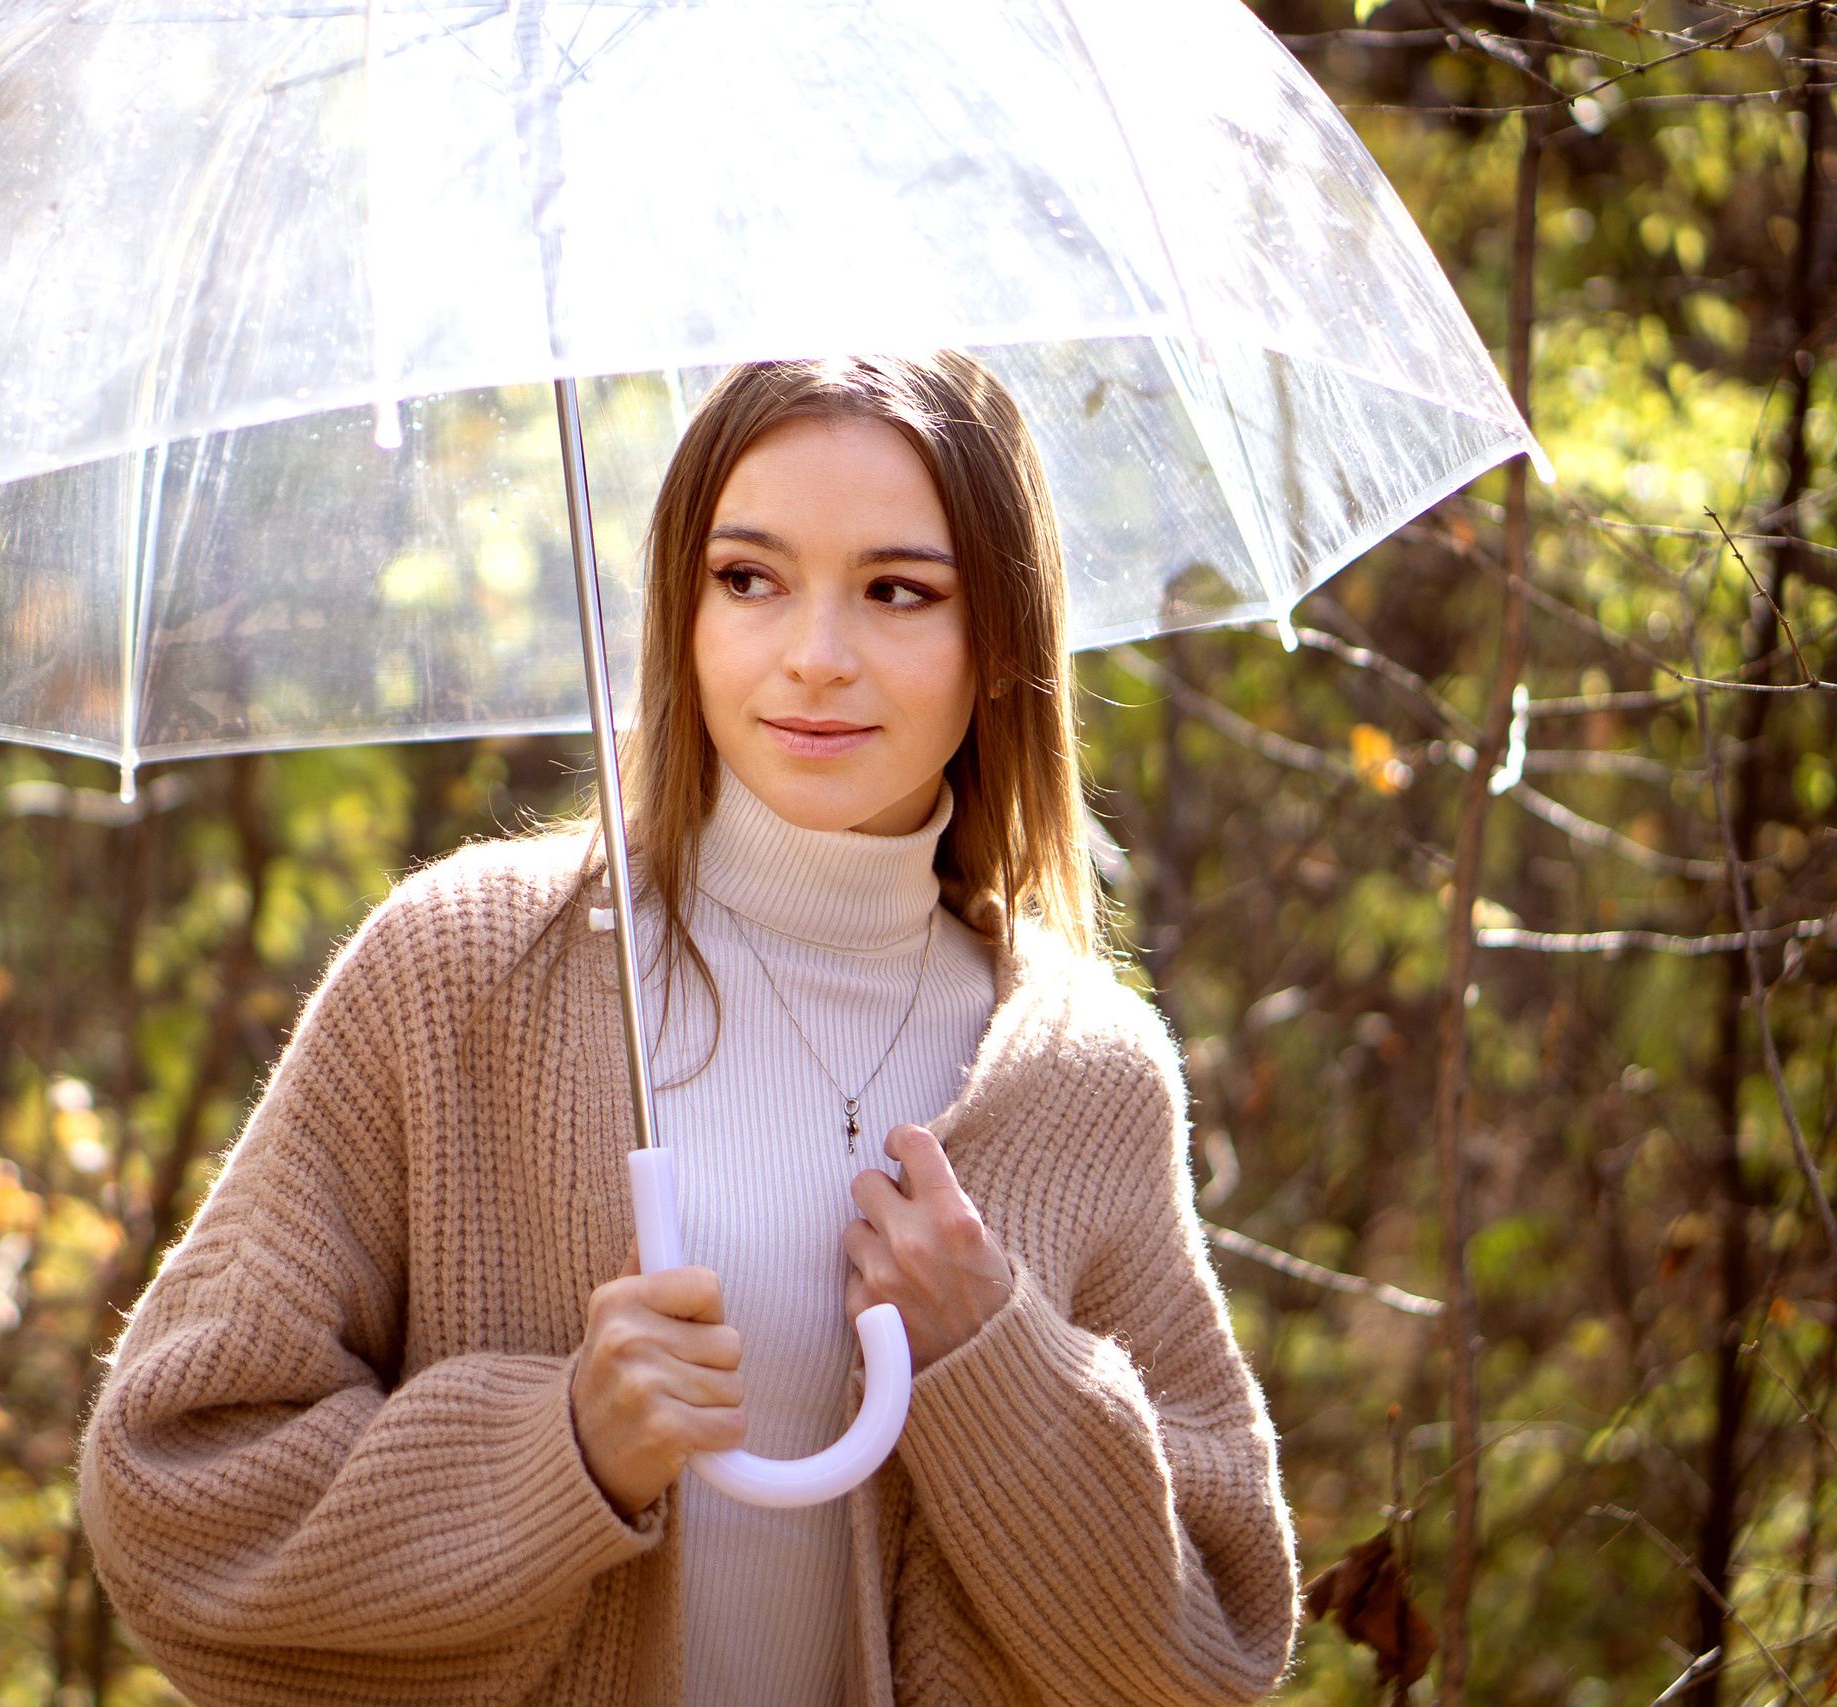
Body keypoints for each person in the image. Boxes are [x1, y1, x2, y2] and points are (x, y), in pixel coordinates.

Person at [77, 353, 1299, 1706]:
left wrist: (998, 1361)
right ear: (682, 606)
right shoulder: (468, 972)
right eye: (748, 579)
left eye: (899, 591)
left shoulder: (1086, 1074)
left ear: (1000, 637)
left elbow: (1207, 1659)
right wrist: (560, 1453)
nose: (813, 657)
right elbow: (171, 1493)